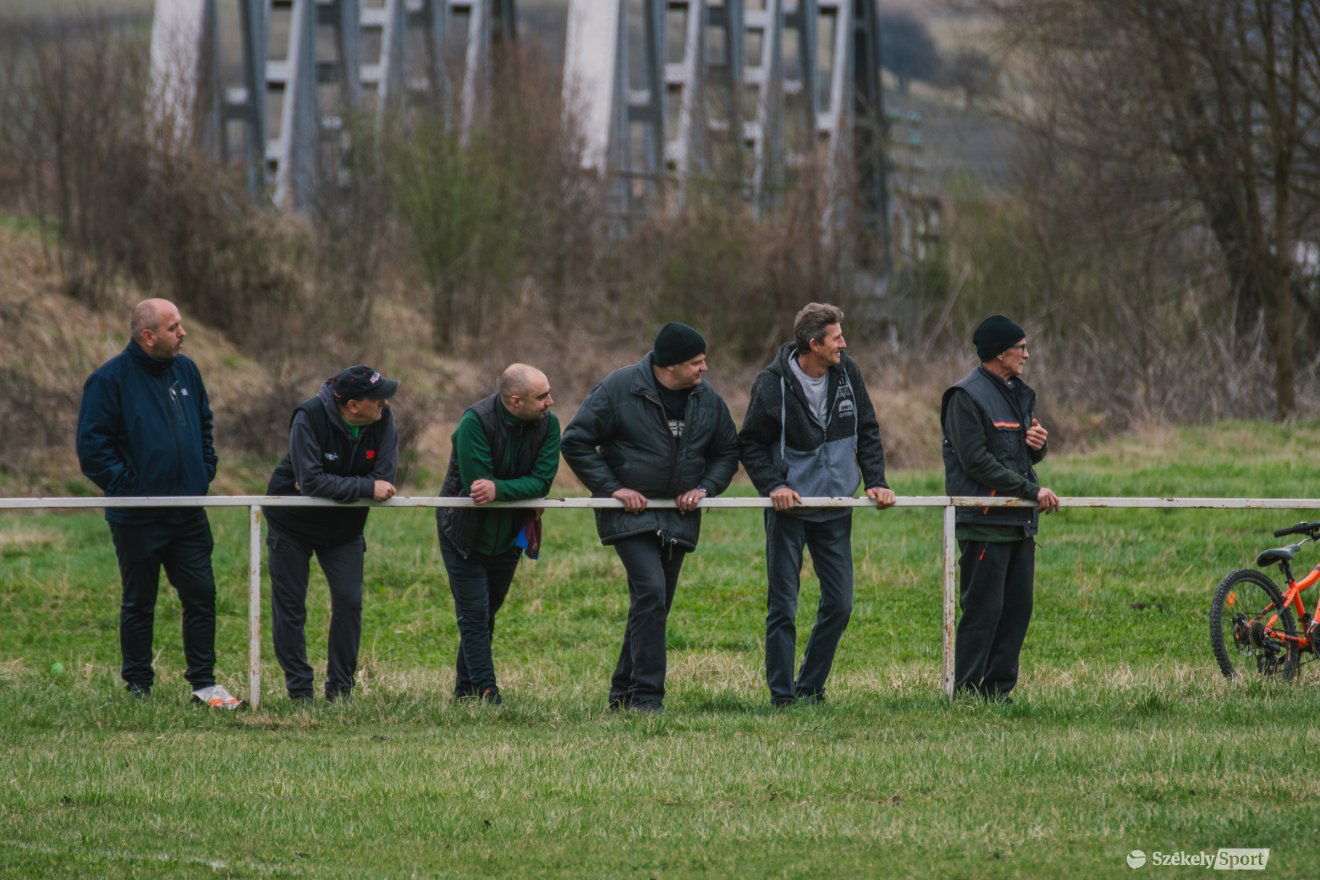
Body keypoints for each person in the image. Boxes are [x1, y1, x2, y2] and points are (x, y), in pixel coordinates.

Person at [562, 323, 740, 713]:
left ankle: (621, 694)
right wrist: (613, 489)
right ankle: (647, 698)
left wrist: (705, 488)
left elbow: (728, 450)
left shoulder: (707, 400)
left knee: (653, 604)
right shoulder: (618, 389)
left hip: (679, 517)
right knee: (651, 594)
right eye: (696, 362)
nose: (704, 368)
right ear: (669, 366)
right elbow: (575, 441)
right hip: (630, 515)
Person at [75, 298, 242, 708]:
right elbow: (92, 448)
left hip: (187, 513)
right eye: (174, 327)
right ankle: (138, 687)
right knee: (139, 602)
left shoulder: (186, 370)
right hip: (136, 518)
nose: (183, 333)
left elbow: (204, 424)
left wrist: (204, 470)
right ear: (148, 336)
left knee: (201, 596)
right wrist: (129, 486)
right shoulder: (109, 380)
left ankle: (204, 684)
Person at [739, 303, 896, 707]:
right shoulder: (770, 384)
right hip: (788, 512)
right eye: (837, 338)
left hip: (836, 508)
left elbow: (867, 429)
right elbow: (751, 443)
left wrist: (876, 481)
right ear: (814, 344)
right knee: (783, 607)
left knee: (840, 603)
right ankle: (781, 696)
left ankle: (810, 686)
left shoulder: (849, 373)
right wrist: (774, 485)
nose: (844, 343)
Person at [940, 314, 1060, 701]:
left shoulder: (1017, 393)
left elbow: (1014, 456)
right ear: (999, 352)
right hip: (984, 523)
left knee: (1017, 611)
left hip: (1018, 524)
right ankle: (968, 691)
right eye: (1021, 347)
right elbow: (976, 462)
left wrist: (1037, 447)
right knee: (983, 611)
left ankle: (997, 691)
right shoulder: (965, 397)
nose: (1027, 354)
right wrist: (1032, 490)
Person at [263, 365, 399, 702]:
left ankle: (340, 690)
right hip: (291, 523)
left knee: (350, 603)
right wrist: (364, 485)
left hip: (345, 529)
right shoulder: (308, 416)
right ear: (353, 405)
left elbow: (386, 476)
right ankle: (300, 691)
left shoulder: (384, 419)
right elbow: (311, 482)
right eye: (376, 399)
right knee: (291, 608)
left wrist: (333, 483)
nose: (384, 404)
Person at [436, 364, 560, 705]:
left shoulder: (549, 425)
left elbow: (542, 481)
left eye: (549, 392)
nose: (550, 401)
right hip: (463, 532)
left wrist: (501, 489)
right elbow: (478, 484)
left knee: (487, 612)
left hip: (509, 535)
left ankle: (464, 692)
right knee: (474, 615)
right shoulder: (473, 423)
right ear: (515, 401)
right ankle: (489, 693)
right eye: (542, 396)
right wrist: (513, 490)